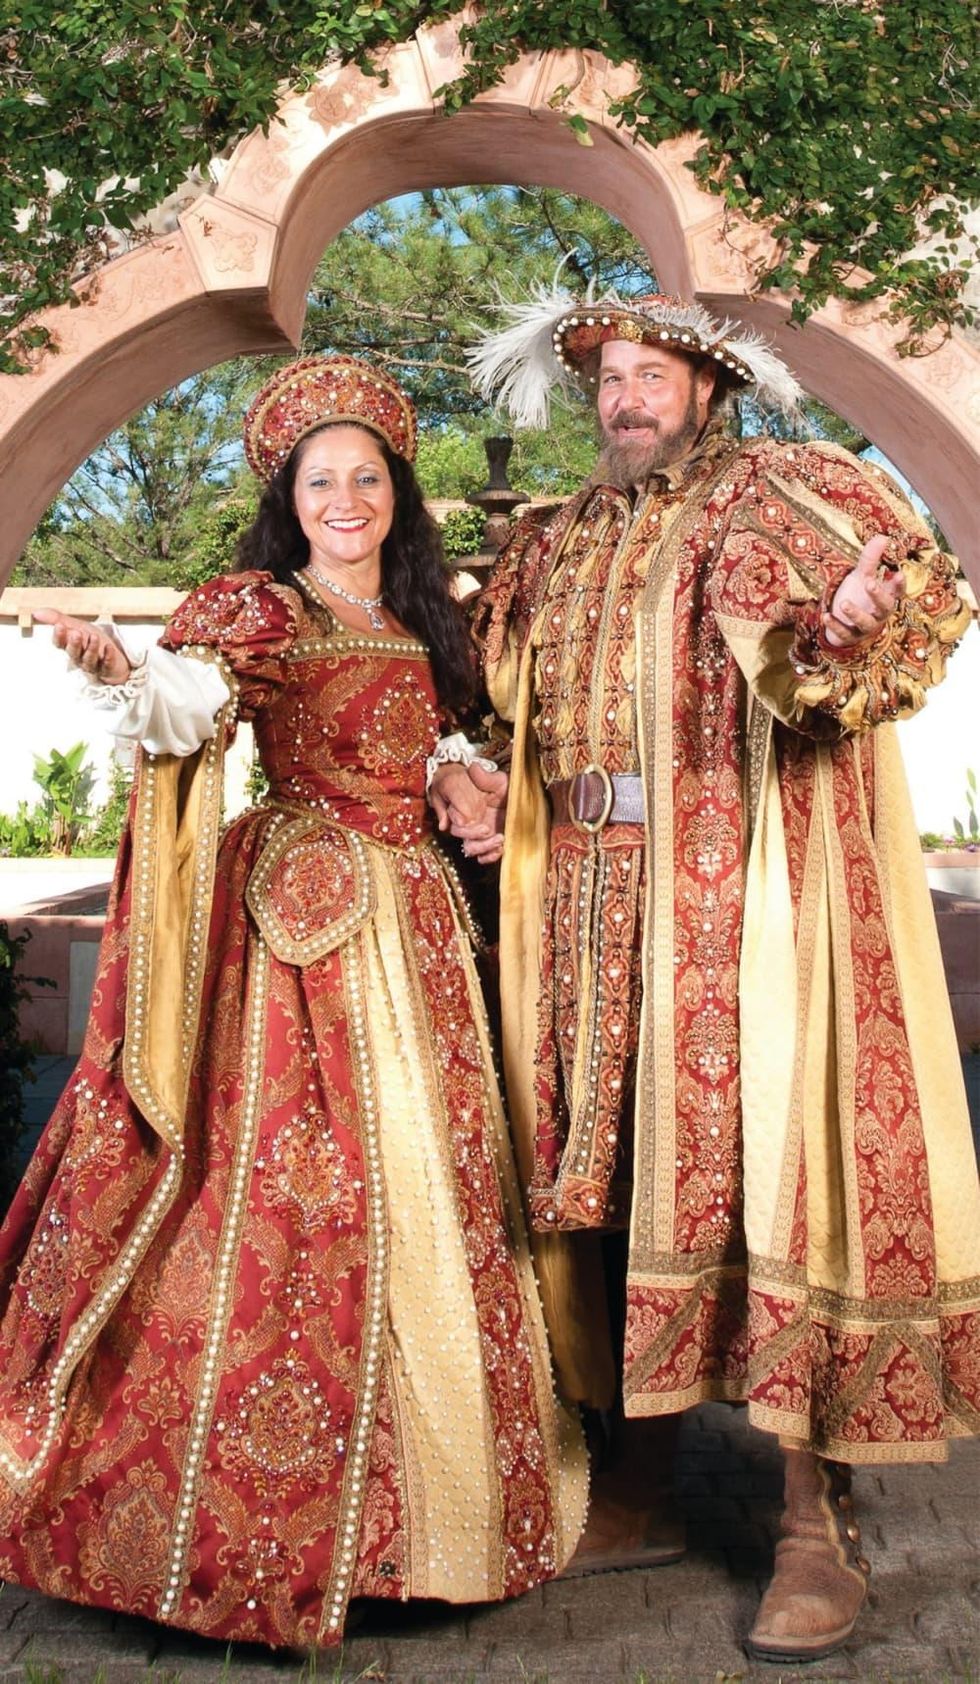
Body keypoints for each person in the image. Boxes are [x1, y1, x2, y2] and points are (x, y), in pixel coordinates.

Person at [0, 355, 587, 1651]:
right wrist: (115, 668)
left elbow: (429, 739)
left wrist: (463, 784)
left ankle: (426, 1531)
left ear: (397, 494)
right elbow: (184, 708)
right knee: (298, 1199)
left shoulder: (430, 616)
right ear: (291, 496)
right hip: (302, 936)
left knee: (433, 1196)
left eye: (365, 478)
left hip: (418, 930)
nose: (344, 498)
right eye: (321, 480)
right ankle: (257, 1535)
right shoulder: (258, 612)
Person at [431, 293, 980, 1661]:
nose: (623, 397)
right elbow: (479, 696)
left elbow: (877, 634)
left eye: (648, 374)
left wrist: (848, 619)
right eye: (607, 378)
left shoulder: (788, 494)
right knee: (602, 1179)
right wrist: (480, 774)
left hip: (746, 910)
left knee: (771, 1175)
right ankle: (641, 1473)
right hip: (582, 913)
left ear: (709, 383)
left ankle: (814, 1519)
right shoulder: (556, 542)